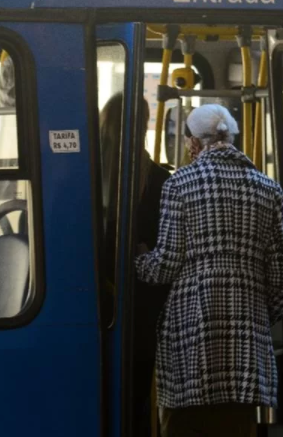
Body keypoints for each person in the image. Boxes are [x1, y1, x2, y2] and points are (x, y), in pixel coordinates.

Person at [135, 104, 283, 437]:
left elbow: (165, 265)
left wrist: (138, 259)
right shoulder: (268, 189)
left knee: (184, 428)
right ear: (231, 137)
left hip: (190, 338)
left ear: (193, 143)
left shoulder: (179, 185)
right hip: (247, 344)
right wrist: (258, 317)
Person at [99, 93, 172, 437]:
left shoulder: (84, 175)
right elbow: (166, 253)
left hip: (94, 298)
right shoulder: (158, 180)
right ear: (143, 128)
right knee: (137, 395)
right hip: (144, 306)